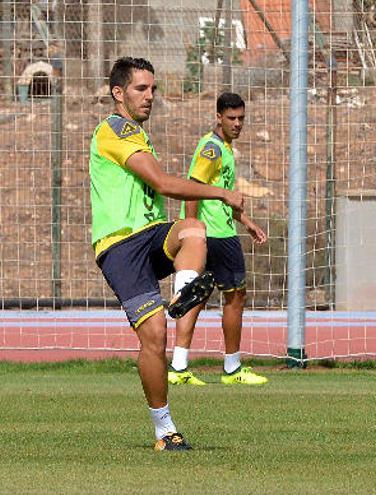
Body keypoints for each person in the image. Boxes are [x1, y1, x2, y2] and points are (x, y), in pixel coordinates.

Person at [89, 57, 245, 451]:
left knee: (194, 229)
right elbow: (161, 181)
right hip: (121, 246)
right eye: (142, 89)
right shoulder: (114, 131)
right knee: (153, 336)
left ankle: (182, 296)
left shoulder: (138, 134)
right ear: (118, 93)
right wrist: (222, 193)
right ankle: (164, 429)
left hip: (149, 235)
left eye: (153, 89)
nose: (150, 96)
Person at [167, 92, 269, 387]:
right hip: (216, 236)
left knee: (196, 297)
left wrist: (247, 222)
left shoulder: (223, 147)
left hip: (218, 230)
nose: (237, 124)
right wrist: (192, 230)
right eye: (232, 118)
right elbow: (192, 189)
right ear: (218, 117)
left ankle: (178, 366)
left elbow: (218, 196)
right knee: (235, 297)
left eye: (241, 118)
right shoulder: (211, 149)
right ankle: (232, 367)